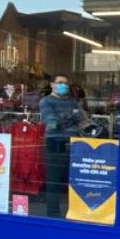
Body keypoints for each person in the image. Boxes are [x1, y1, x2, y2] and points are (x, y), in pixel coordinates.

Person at [40, 75, 86, 218]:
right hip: (55, 144)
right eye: (60, 83)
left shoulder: (73, 102)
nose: (63, 86)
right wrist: (71, 117)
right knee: (54, 182)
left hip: (74, 144)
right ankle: (53, 215)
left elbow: (82, 117)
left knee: (73, 181)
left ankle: (72, 213)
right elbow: (52, 123)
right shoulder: (46, 101)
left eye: (66, 83)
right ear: (52, 84)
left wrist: (65, 117)